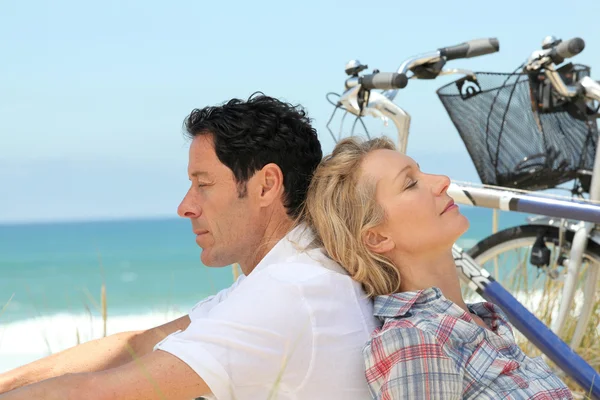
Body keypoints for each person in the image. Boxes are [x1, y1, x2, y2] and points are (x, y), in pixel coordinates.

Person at [0, 95, 378, 400]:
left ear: (266, 186)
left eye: (204, 184)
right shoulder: (294, 271)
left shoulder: (290, 290)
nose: (186, 206)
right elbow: (139, 343)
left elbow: (102, 393)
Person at [303, 136, 572, 399]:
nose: (443, 181)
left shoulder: (478, 320)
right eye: (410, 184)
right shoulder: (413, 341)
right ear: (377, 237)